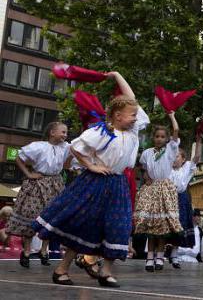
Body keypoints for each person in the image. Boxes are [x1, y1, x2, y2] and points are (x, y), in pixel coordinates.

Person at [33, 71, 149, 287]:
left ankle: (105, 272)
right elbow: (77, 147)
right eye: (131, 114)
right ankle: (61, 269)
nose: (135, 117)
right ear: (117, 115)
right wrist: (91, 165)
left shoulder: (132, 131)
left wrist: (117, 76)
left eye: (135, 114)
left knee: (119, 225)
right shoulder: (103, 130)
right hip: (97, 182)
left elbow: (131, 98)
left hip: (118, 183)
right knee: (84, 224)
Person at [7, 122, 71, 268]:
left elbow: (79, 148)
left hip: (55, 183)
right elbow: (18, 157)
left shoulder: (65, 148)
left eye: (66, 133)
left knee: (50, 218)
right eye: (62, 132)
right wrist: (29, 173)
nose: (65, 135)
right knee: (31, 216)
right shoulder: (38, 146)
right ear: (52, 133)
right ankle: (27, 251)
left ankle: (44, 251)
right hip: (38, 182)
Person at [134, 113, 183, 272]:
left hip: (164, 188)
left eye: (163, 136)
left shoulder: (170, 150)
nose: (159, 139)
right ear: (153, 137)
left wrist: (172, 116)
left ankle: (160, 256)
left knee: (162, 226)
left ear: (167, 139)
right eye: (157, 136)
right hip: (151, 188)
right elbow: (143, 167)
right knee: (150, 225)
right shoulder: (147, 152)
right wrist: (146, 176)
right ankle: (149, 257)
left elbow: (176, 131)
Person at [169, 134, 202, 268]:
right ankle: (157, 255)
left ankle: (174, 255)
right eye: (173, 156)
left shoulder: (187, 167)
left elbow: (197, 158)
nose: (174, 159)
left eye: (177, 156)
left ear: (183, 159)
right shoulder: (166, 169)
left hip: (181, 198)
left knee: (180, 226)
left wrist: (198, 141)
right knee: (165, 226)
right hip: (168, 198)